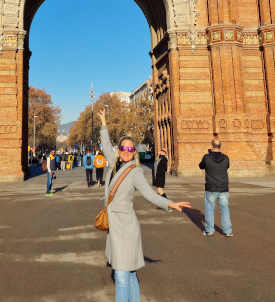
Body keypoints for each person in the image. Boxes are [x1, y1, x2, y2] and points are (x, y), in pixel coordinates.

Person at [98, 109, 190, 302]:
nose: (126, 152)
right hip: (115, 225)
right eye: (123, 148)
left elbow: (148, 193)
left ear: (134, 152)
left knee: (122, 275)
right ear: (118, 149)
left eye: (130, 149)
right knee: (129, 273)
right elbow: (106, 145)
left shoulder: (135, 172)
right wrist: (104, 123)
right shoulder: (114, 164)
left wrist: (169, 203)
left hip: (126, 227)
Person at [199, 138, 232, 236]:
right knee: (225, 209)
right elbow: (227, 166)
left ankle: (209, 230)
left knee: (209, 208)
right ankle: (228, 231)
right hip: (223, 187)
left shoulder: (207, 157)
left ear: (212, 146)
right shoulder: (226, 158)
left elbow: (201, 166)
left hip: (211, 187)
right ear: (220, 146)